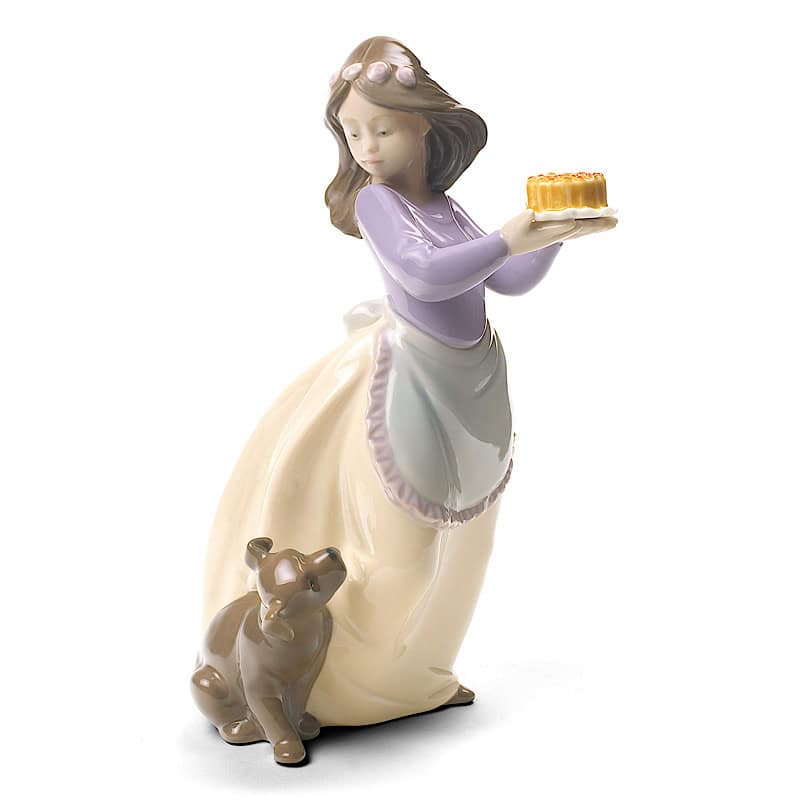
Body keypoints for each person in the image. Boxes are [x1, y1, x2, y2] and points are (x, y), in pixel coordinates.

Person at [201, 36, 616, 728]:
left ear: (423, 125)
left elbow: (507, 279)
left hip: (474, 376)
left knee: (469, 539)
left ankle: (423, 673)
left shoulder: (445, 206)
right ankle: (358, 685)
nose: (366, 147)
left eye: (382, 129)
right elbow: (424, 275)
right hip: (416, 375)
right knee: (408, 549)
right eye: (353, 132)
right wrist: (508, 239)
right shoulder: (378, 204)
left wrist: (553, 236)